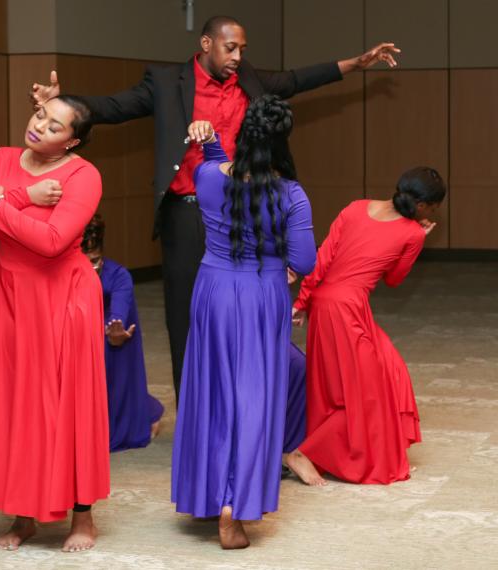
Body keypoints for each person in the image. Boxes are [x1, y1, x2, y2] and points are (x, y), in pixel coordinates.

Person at [31, 15, 401, 404]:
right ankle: (193, 405)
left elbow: (295, 80)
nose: (238, 56)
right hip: (187, 211)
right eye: (230, 48)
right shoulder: (165, 83)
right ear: (206, 45)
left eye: (243, 49)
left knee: (241, 312)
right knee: (186, 315)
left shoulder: (249, 81)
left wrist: (355, 64)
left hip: (242, 212)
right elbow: (112, 107)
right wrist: (58, 103)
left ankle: (240, 402)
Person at [0, 95, 109, 552]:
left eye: (54, 126)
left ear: (73, 141)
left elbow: (50, 241)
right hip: (10, 295)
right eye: (41, 116)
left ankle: (82, 517)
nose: (39, 126)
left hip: (63, 296)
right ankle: (24, 515)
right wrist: (22, 196)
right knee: (16, 402)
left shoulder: (82, 175)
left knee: (68, 402)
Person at [171, 96, 317, 549]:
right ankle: (236, 504)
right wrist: (283, 266)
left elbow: (220, 175)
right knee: (253, 397)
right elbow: (304, 260)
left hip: (213, 290)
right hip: (261, 294)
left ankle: (211, 494)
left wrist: (213, 146)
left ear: (244, 134)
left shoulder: (207, 177)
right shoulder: (291, 194)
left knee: (213, 394)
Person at [285, 167, 447, 486]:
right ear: (426, 206)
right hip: (346, 311)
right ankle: (303, 453)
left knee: (385, 371)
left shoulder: (356, 207)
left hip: (328, 306)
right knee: (366, 389)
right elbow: (394, 279)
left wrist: (304, 301)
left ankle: (348, 450)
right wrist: (417, 240)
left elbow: (324, 257)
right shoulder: (412, 233)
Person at [81, 214, 164, 451]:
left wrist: (114, 328)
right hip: (80, 334)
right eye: (85, 261)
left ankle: (145, 412)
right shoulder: (66, 273)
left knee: (107, 347)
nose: (92, 268)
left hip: (107, 336)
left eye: (96, 260)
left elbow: (119, 311)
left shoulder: (118, 275)